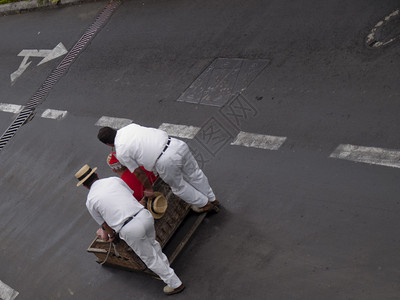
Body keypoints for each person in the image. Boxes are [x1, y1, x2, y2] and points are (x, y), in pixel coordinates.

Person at [75, 164, 184, 295]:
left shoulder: (90, 201)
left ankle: (175, 283)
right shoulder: (113, 180)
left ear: (85, 186)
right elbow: (130, 197)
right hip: (144, 216)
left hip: (129, 228)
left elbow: (105, 225)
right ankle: (166, 271)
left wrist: (112, 237)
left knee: (150, 259)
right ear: (96, 175)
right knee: (154, 245)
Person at [97, 124, 219, 213]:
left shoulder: (121, 152)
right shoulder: (130, 127)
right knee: (194, 174)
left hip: (165, 160)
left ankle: (204, 204)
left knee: (179, 187)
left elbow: (138, 173)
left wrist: (149, 189)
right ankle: (212, 198)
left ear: (108, 144)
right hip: (176, 144)